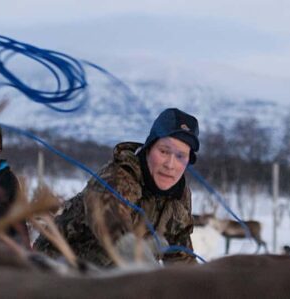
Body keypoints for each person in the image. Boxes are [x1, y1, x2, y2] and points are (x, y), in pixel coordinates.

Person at [33, 108, 199, 267]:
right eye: (164, 151)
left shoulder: (180, 196)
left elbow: (181, 259)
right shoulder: (117, 178)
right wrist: (138, 258)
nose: (170, 165)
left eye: (180, 156)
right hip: (54, 272)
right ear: (149, 148)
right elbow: (112, 228)